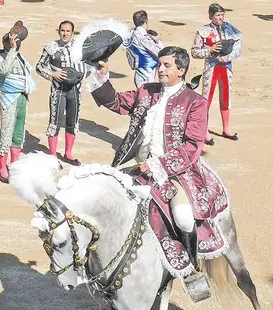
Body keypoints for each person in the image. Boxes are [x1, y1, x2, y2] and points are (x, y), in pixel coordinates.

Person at [89, 46, 229, 286]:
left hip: (177, 173)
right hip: (139, 167)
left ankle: (191, 269)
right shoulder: (147, 91)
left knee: (184, 217)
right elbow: (117, 103)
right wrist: (102, 74)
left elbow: (192, 145)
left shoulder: (195, 102)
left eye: (167, 65)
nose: (160, 69)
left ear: (181, 70)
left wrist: (158, 165)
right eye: (160, 64)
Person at [36, 20, 89, 165]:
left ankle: (68, 153)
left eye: (68, 31)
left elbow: (88, 66)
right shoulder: (51, 47)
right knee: (55, 122)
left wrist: (82, 75)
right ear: (59, 31)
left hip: (74, 90)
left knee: (72, 122)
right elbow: (39, 66)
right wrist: (52, 75)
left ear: (72, 33)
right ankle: (53, 155)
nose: (65, 33)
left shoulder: (79, 48)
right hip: (58, 90)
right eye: (62, 30)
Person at [0, 21, 36, 182]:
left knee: (18, 134)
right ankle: (2, 167)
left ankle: (14, 165)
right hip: (9, 99)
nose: (15, 46)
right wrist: (12, 51)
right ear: (5, 45)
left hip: (22, 99)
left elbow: (28, 77)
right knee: (6, 134)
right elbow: (4, 70)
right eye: (11, 44)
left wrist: (27, 86)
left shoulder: (20, 58)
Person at [191, 3, 243, 145]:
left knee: (226, 97)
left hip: (226, 66)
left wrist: (227, 57)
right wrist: (210, 50)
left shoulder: (230, 29)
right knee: (206, 99)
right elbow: (194, 52)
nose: (220, 18)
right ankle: (205, 130)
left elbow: (238, 48)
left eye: (222, 15)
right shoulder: (203, 31)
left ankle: (226, 128)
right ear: (210, 16)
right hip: (211, 66)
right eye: (217, 15)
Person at [123, 10, 164, 87]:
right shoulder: (144, 37)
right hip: (146, 74)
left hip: (140, 72)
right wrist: (158, 41)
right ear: (146, 20)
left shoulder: (130, 33)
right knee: (148, 96)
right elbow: (160, 53)